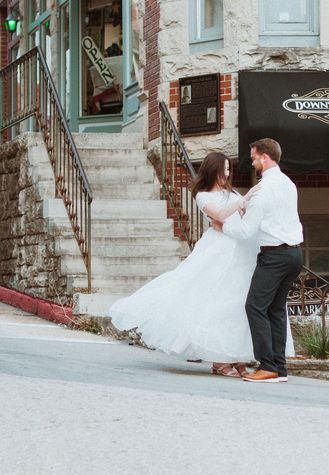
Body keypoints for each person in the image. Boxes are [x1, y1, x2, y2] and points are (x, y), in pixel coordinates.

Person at [109, 152, 295, 377]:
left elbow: (243, 214)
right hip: (220, 250)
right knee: (217, 302)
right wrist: (244, 200)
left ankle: (235, 356)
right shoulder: (204, 195)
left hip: (243, 250)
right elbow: (220, 214)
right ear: (213, 170)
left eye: (229, 169)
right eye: (224, 169)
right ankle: (219, 360)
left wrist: (248, 205)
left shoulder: (232, 193)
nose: (227, 173)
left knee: (236, 305)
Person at [213, 138, 303, 383]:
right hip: (295, 254)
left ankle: (268, 365)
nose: (252, 163)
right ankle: (279, 369)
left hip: (274, 255)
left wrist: (223, 226)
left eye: (253, 158)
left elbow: (245, 232)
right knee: (276, 309)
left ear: (265, 157)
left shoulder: (264, 190)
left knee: (254, 306)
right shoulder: (288, 184)